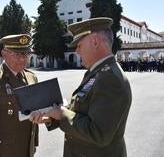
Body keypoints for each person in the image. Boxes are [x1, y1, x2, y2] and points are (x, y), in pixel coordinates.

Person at [30, 17, 132, 157]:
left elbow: (98, 133)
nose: (77, 51)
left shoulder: (110, 78)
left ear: (95, 42)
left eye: (79, 45)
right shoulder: (97, 72)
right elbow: (84, 112)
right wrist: (54, 116)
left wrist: (61, 113)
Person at [0, 34, 39, 157]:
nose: (22, 59)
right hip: (4, 152)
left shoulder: (32, 77)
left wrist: (34, 144)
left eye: (25, 54)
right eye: (17, 54)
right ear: (4, 54)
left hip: (27, 149)